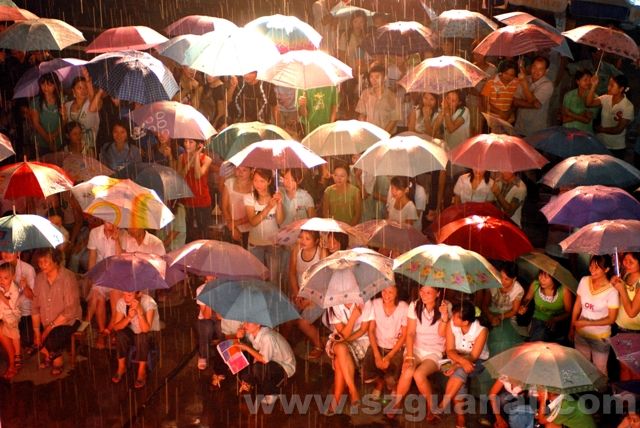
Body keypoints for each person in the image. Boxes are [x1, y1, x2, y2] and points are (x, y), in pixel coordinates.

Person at [392, 285, 447, 421]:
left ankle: (431, 406)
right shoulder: (415, 305)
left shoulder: (446, 307)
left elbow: (442, 333)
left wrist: (445, 315)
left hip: (434, 351)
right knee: (408, 370)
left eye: (428, 292)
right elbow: (410, 333)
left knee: (419, 374)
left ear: (438, 293)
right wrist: (409, 357)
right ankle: (397, 402)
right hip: (416, 348)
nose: (423, 295)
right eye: (422, 291)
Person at [437, 299, 489, 428]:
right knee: (456, 371)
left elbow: (474, 356)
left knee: (460, 371)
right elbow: (449, 350)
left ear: (465, 322)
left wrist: (456, 365)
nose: (452, 319)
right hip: (456, 358)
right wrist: (459, 362)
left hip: (478, 361)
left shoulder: (481, 330)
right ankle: (459, 416)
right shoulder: (451, 324)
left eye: (456, 317)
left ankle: (445, 405)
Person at [31, 248, 82, 376]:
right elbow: (35, 307)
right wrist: (37, 332)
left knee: (52, 337)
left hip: (68, 321)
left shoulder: (68, 277)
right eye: (40, 262)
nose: (42, 265)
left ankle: (57, 360)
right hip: (46, 319)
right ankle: (51, 354)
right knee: (27, 336)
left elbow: (70, 310)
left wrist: (48, 329)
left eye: (46, 262)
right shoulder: (39, 278)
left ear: (56, 261)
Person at [570, 255, 619, 375]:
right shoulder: (584, 280)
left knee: (600, 371)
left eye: (596, 267)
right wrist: (572, 327)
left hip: (600, 338)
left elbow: (611, 319)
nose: (592, 270)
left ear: (606, 269)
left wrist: (587, 322)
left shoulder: (612, 291)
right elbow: (577, 305)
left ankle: (602, 388)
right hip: (581, 334)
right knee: (582, 367)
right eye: (591, 266)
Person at [325, 300, 372, 414]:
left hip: (360, 341)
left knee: (339, 357)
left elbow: (363, 330)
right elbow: (342, 334)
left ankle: (337, 398)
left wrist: (345, 340)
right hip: (338, 339)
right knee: (341, 348)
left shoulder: (366, 302)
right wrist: (353, 318)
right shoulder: (333, 304)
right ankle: (352, 390)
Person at [235, 321, 296, 405]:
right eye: (244, 322)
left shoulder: (267, 337)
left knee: (258, 368)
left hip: (285, 366)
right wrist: (240, 337)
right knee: (245, 370)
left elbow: (264, 359)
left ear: (258, 324)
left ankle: (272, 393)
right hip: (271, 361)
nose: (245, 325)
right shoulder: (252, 334)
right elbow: (247, 346)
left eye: (248, 322)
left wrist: (246, 348)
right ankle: (250, 384)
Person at [362, 285, 407, 399]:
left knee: (391, 379)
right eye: (384, 291)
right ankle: (379, 383)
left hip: (395, 348)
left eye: (390, 292)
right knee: (366, 375)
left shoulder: (403, 307)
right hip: (377, 346)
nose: (386, 295)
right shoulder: (375, 304)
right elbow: (371, 331)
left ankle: (394, 385)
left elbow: (404, 335)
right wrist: (377, 356)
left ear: (397, 293)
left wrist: (389, 356)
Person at [287, 230, 327, 359]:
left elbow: (324, 280)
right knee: (286, 315)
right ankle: (285, 344)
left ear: (316, 241)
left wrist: (311, 300)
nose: (303, 241)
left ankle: (319, 345)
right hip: (300, 293)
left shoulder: (321, 252)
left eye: (307, 238)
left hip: (319, 295)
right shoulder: (297, 249)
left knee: (303, 322)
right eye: (301, 237)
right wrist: (296, 293)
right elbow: (292, 273)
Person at [110, 291, 161, 389]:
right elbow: (116, 327)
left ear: (139, 294)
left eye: (129, 295)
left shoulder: (149, 302)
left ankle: (141, 371)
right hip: (133, 333)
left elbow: (145, 329)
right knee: (120, 334)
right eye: (124, 294)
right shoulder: (122, 302)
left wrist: (140, 312)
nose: (126, 298)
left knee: (142, 336)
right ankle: (121, 367)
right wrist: (129, 317)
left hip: (150, 335)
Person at [244, 168, 284, 285]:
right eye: (255, 180)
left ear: (269, 181)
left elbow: (280, 221)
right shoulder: (249, 197)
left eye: (262, 181)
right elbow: (253, 221)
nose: (258, 184)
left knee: (274, 279)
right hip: (255, 244)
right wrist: (268, 207)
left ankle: (272, 297)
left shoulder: (275, 197)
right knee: (256, 279)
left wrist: (279, 204)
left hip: (273, 243)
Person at [86, 221, 122, 348]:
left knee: (116, 300)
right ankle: (101, 331)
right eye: (107, 220)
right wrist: (92, 277)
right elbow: (92, 257)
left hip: (117, 275)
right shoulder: (95, 232)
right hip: (101, 273)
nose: (110, 223)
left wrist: (117, 240)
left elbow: (121, 259)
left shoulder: (122, 233)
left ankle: (110, 330)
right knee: (97, 296)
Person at [586, 74, 634, 158]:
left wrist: (601, 129)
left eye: (612, 85)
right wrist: (593, 86)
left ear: (621, 89)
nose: (608, 87)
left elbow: (618, 129)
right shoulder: (606, 98)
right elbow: (589, 103)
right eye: (609, 84)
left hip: (616, 147)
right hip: (601, 143)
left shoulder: (628, 106)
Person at [518, 270, 572, 342]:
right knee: (539, 333)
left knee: (542, 333)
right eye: (540, 275)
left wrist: (555, 319)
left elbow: (568, 312)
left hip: (556, 323)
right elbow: (527, 299)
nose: (541, 279)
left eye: (546, 277)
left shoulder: (564, 291)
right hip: (537, 319)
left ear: (554, 278)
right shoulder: (535, 285)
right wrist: (523, 306)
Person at [611, 252, 640, 380]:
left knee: (635, 371)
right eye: (625, 260)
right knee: (623, 367)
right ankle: (624, 393)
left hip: (636, 333)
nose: (627, 264)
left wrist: (622, 289)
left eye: (631, 262)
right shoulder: (626, 274)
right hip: (620, 330)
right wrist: (614, 285)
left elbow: (632, 312)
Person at [178, 138, 213, 241]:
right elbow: (180, 176)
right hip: (187, 200)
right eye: (185, 141)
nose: (187, 145)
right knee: (188, 233)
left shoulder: (207, 159)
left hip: (202, 200)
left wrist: (196, 155)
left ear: (198, 144)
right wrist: (191, 160)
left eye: (191, 142)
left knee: (203, 233)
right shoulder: (182, 157)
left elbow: (197, 175)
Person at [513, 56, 554, 137]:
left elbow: (532, 101)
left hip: (536, 129)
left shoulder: (548, 85)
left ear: (546, 71)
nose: (536, 71)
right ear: (531, 67)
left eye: (540, 69)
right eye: (534, 67)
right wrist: (533, 104)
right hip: (520, 126)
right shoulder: (526, 78)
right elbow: (515, 102)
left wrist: (524, 84)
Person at [356, 63, 401, 134]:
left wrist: (383, 135)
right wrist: (362, 128)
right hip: (369, 134)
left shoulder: (392, 97)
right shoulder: (365, 94)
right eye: (371, 77)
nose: (373, 80)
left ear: (384, 78)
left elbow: (394, 120)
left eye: (377, 77)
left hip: (386, 135)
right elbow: (362, 114)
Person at [63, 73, 100, 157]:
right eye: (79, 88)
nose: (83, 90)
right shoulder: (67, 106)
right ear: (73, 91)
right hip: (72, 149)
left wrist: (88, 81)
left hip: (89, 148)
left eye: (85, 87)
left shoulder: (92, 103)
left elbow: (93, 97)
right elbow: (66, 126)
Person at [28, 72, 65, 156]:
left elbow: (64, 121)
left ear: (55, 85)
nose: (45, 87)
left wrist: (53, 137)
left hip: (58, 142)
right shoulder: (35, 102)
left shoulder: (62, 100)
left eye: (49, 84)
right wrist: (48, 139)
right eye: (43, 84)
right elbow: (36, 124)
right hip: (40, 144)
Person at [484, 262, 525, 328]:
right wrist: (490, 316)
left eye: (507, 279)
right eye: (501, 276)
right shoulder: (493, 282)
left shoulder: (519, 290)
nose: (502, 281)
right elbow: (485, 304)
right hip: (490, 311)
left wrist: (499, 317)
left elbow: (514, 310)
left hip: (507, 315)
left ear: (514, 279)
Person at [221, 165, 252, 247]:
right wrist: (233, 228)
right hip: (230, 226)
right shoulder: (229, 183)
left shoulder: (254, 186)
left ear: (250, 171)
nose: (240, 172)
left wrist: (235, 223)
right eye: (238, 169)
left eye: (244, 170)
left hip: (249, 228)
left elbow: (254, 212)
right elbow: (224, 207)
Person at [0, 263, 21, 379]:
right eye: (0, 277)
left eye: (5, 278)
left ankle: (17, 355)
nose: (2, 280)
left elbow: (11, 305)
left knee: (14, 334)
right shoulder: (1, 287)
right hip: (3, 315)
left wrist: (1, 296)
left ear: (12, 277)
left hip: (12, 316)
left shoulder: (14, 290)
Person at [195, 276, 221, 370]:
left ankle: (226, 355)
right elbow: (206, 315)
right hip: (205, 317)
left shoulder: (223, 288)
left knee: (221, 328)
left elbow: (220, 316)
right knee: (206, 327)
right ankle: (203, 355)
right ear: (205, 279)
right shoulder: (200, 289)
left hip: (220, 316)